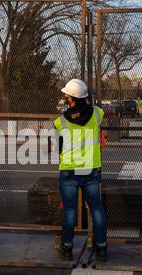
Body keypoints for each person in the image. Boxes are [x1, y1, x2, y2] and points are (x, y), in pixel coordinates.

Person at [54, 79, 108, 262]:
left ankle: (67, 248)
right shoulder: (97, 114)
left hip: (69, 170)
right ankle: (101, 248)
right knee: (96, 208)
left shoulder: (60, 121)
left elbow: (57, 145)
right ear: (85, 97)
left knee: (70, 210)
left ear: (70, 98)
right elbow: (97, 110)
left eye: (66, 95)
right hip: (90, 169)